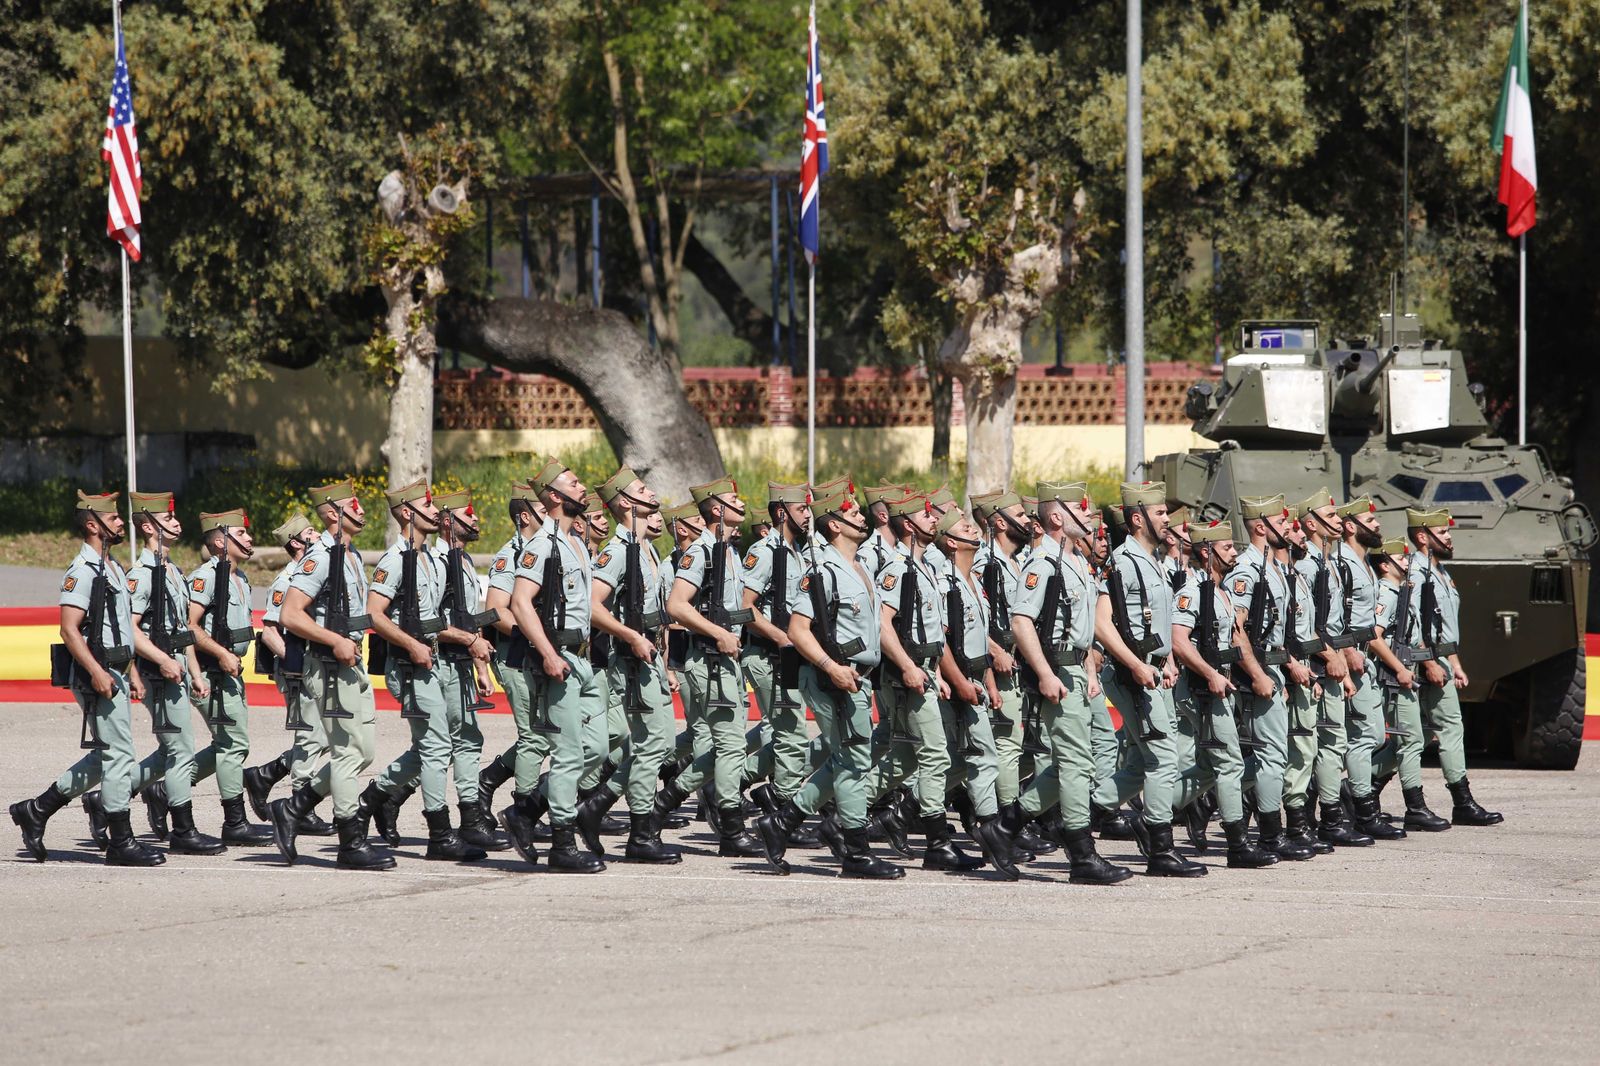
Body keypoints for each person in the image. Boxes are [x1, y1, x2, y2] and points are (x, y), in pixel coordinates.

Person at [756, 487, 904, 879]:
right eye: (852, 511)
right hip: (830, 676)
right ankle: (855, 850)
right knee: (854, 760)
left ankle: (782, 821)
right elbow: (798, 630)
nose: (861, 515)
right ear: (835, 525)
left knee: (845, 757)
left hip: (856, 677)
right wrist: (831, 666)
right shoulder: (822, 570)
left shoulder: (859, 568)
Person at [11, 491, 161, 866]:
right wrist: (96, 671)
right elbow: (69, 629)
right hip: (97, 673)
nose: (121, 522)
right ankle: (120, 841)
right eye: (113, 519)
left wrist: (134, 672)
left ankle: (37, 809)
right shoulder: (82, 571)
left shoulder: (111, 568)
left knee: (106, 756)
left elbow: (121, 628)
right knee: (119, 753)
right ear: (93, 525)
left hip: (116, 670)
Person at [1006, 483, 1132, 884]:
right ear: (1056, 517)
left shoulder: (1074, 561)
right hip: (1057, 669)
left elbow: (1082, 628)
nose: (1090, 515)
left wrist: (1091, 672)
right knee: (1077, 763)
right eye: (1081, 508)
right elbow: (1021, 621)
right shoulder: (1042, 562)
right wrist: (1044, 673)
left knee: (1071, 763)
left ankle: (1004, 826)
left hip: (1075, 669)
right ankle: (1081, 855)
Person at [270, 479, 391, 870]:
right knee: (346, 753)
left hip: (349, 662)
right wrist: (333, 641)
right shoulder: (320, 557)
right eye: (353, 505)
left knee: (362, 751)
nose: (362, 509)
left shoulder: (350, 554)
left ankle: (293, 808)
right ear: (332, 513)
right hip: (328, 662)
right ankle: (350, 841)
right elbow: (289, 614)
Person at [1092, 481, 1204, 877]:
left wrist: (1168, 659)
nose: (1167, 520)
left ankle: (1079, 813)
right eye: (1160, 513)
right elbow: (1102, 626)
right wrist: (1139, 666)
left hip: (1152, 671)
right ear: (1137, 518)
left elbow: (1154, 623)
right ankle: (1160, 848)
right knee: (1163, 759)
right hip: (1132, 674)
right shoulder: (1123, 561)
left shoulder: (1152, 560)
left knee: (1141, 763)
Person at [501, 458, 608, 872]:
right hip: (558, 659)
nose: (583, 488)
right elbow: (519, 602)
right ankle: (562, 844)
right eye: (575, 483)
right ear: (554, 497)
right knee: (568, 754)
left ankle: (526, 812)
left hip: (583, 660)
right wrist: (547, 653)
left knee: (597, 746)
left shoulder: (575, 542)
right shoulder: (541, 545)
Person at [574, 465, 682, 863]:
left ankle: (597, 806)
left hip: (649, 656)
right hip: (631, 659)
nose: (651, 494)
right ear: (624, 503)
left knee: (659, 743)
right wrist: (631, 636)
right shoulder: (618, 551)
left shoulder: (646, 548)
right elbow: (591, 606)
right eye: (641, 490)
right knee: (652, 743)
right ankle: (641, 832)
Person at [654, 477, 765, 858]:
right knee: (731, 746)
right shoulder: (701, 552)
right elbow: (677, 605)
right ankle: (731, 830)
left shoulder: (728, 551)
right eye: (733, 499)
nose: (741, 503)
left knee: (725, 748)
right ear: (716, 510)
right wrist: (718, 633)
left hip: (726, 660)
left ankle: (662, 805)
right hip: (710, 661)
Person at [1169, 519, 1277, 869]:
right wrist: (1210, 674)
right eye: (1227, 547)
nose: (1235, 552)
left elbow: (1233, 638)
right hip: (1202, 689)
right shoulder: (1192, 591)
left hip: (1220, 687)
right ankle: (1237, 845)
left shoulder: (1221, 593)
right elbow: (1179, 641)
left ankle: (1153, 817)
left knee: (1206, 767)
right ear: (1206, 551)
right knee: (1229, 762)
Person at [124, 490, 220, 855]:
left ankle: (105, 802)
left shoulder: (173, 571)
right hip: (159, 673)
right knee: (181, 751)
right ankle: (183, 830)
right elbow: (130, 629)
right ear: (148, 526)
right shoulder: (142, 574)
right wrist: (162, 662)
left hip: (177, 671)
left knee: (171, 751)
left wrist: (195, 672)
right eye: (169, 518)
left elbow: (183, 631)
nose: (177, 523)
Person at [1226, 496, 1315, 862]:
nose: (1290, 526)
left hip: (1274, 669)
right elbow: (1236, 630)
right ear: (1261, 527)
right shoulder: (1247, 570)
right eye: (1283, 520)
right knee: (1270, 756)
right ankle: (1269, 836)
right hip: (1259, 673)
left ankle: (1266, 829)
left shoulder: (1273, 568)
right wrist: (1258, 675)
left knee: (1274, 755)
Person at [1406, 507, 1503, 826]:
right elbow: (1414, 624)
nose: (1449, 538)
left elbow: (1444, 626)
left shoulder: (1440, 571)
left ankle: (1360, 791)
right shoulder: (1417, 572)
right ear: (1423, 536)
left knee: (1418, 736)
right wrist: (1432, 662)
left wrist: (1454, 662)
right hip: (1426, 661)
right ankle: (1462, 802)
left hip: (1441, 659)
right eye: (1443, 533)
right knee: (1446, 728)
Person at [186, 509, 274, 845]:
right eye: (242, 533)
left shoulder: (241, 578)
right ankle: (234, 822)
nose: (250, 538)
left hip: (231, 671)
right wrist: (221, 654)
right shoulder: (206, 577)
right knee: (233, 745)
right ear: (222, 541)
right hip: (210, 671)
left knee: (228, 745)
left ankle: (165, 789)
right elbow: (190, 625)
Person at [244, 513, 334, 837]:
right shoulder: (286, 580)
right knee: (311, 735)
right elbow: (269, 632)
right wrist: (295, 663)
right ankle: (300, 804)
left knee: (323, 736)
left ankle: (267, 773)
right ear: (296, 542)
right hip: (297, 669)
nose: (317, 535)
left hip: (313, 666)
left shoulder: (313, 572)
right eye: (310, 532)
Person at [739, 482, 818, 835]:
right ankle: (782, 812)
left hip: (786, 657)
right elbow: (743, 607)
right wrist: (782, 638)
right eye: (802, 509)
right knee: (791, 734)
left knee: (789, 732)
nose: (808, 515)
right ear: (782, 512)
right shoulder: (766, 551)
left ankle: (730, 784)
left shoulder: (797, 551)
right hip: (768, 655)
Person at [430, 488, 505, 852]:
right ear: (448, 522)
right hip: (441, 660)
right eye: (468, 514)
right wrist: (469, 643)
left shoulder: (463, 561)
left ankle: (472, 818)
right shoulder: (435, 562)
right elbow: (427, 621)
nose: (476, 519)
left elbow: (469, 618)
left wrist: (481, 667)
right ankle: (379, 799)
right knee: (434, 747)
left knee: (468, 740)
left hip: (461, 661)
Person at [477, 479, 548, 831]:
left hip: (540, 654)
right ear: (524, 516)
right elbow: (495, 610)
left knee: (544, 734)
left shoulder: (547, 547)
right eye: (544, 510)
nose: (551, 515)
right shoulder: (512, 554)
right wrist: (533, 636)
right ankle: (525, 810)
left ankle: (488, 780)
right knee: (535, 736)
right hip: (517, 655)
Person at [1333, 497, 1406, 838]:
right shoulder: (1344, 563)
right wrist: (1348, 655)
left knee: (1374, 735)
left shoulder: (1360, 563)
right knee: (1362, 736)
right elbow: (1336, 617)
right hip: (1352, 658)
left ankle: (1347, 794)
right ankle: (1362, 809)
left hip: (1365, 660)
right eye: (1369, 520)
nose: (1377, 525)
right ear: (1351, 527)